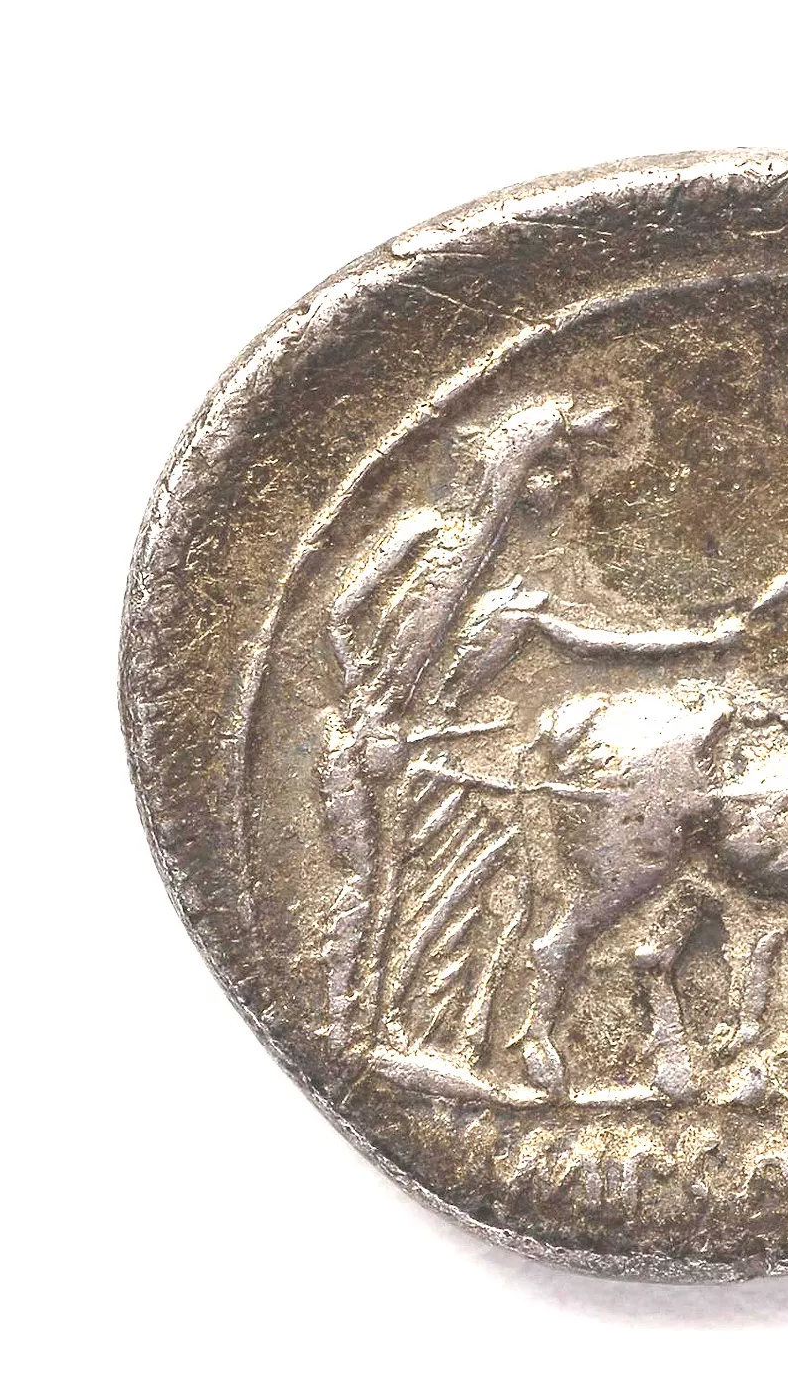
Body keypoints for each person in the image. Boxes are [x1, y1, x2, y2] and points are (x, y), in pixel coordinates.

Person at [319, 399, 750, 1065]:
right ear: (519, 472)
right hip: (370, 752)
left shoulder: (518, 602)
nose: (566, 489)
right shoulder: (426, 538)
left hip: (444, 771)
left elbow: (602, 645)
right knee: (368, 884)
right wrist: (368, 705)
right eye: (555, 472)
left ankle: (423, 1037)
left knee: (475, 900)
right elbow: (339, 616)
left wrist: (704, 641)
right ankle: (350, 1031)